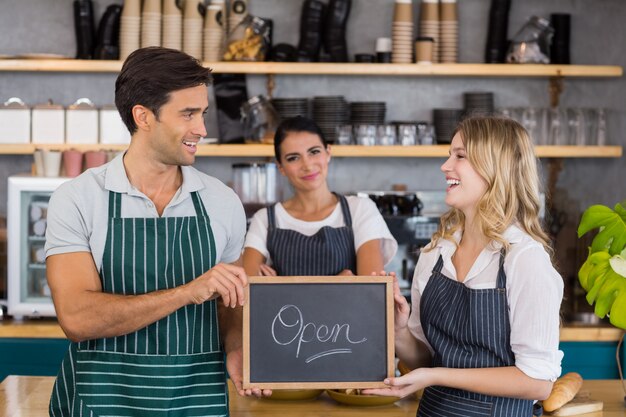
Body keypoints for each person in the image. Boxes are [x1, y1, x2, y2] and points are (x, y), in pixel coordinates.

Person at [45, 46, 268, 416]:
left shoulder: (221, 201)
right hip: (100, 402)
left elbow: (230, 304)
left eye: (203, 113)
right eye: (188, 114)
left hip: (195, 400)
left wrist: (235, 348)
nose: (203, 129)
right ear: (143, 117)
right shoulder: (80, 199)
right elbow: (77, 318)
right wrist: (187, 292)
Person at [364, 116, 563, 417]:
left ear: (496, 168)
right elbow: (425, 361)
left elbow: (537, 383)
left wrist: (437, 376)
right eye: (449, 155)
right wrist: (400, 331)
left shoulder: (524, 259)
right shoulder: (435, 253)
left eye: (460, 156)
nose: (445, 167)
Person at [242, 116, 397, 277]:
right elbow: (248, 294)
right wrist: (339, 287)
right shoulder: (265, 220)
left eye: (314, 152)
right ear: (280, 167)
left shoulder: (360, 209)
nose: (307, 165)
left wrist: (278, 289)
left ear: (328, 152)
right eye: (293, 158)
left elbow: (371, 291)